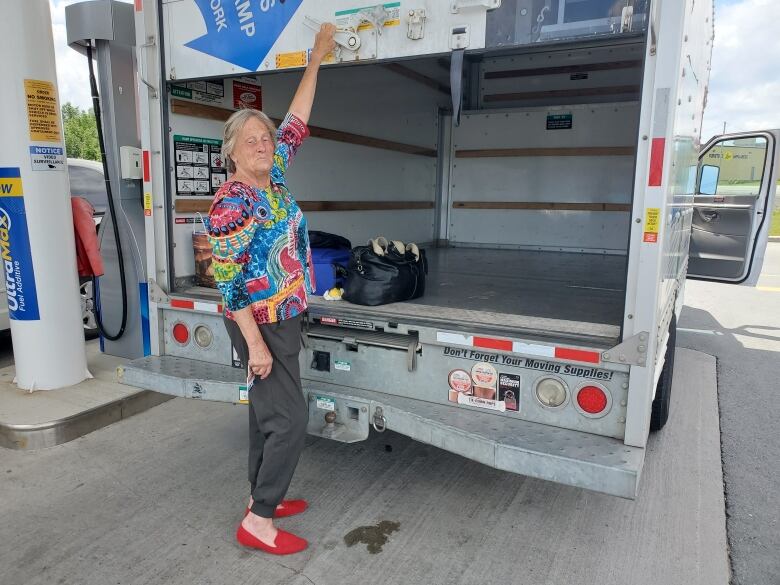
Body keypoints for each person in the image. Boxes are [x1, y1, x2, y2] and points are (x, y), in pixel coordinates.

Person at [206, 24, 337, 556]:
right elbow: (228, 283)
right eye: (251, 140)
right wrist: (255, 344)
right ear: (231, 153)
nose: (264, 144)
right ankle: (259, 520)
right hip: (256, 321)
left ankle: (264, 494)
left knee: (267, 412)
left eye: (265, 137)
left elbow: (297, 124)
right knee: (291, 419)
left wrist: (316, 60)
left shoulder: (274, 178)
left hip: (284, 315)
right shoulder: (232, 203)